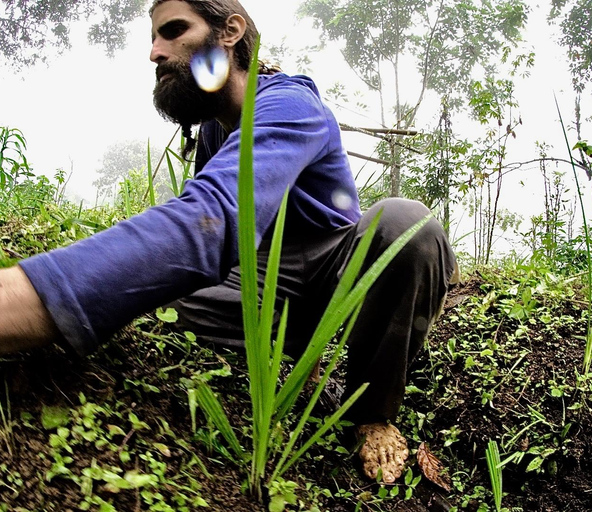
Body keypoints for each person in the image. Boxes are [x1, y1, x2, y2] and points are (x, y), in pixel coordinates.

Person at [0, 0, 457, 484]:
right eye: (154, 38)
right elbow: (197, 236)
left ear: (230, 32)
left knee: (406, 223)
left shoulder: (289, 102)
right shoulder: (214, 132)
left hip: (337, 273)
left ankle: (373, 412)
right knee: (155, 295)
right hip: (259, 284)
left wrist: (40, 293)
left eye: (174, 31)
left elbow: (211, 219)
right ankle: (296, 347)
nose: (155, 52)